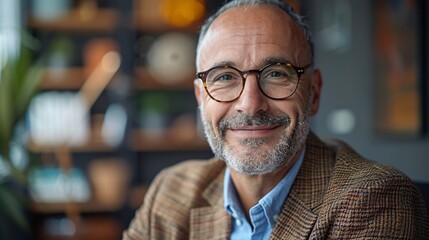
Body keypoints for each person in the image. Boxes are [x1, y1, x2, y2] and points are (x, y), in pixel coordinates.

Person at [123, 0, 429, 239]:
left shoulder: (375, 198)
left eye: (277, 74)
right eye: (225, 77)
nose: (250, 104)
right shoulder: (170, 190)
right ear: (201, 98)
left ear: (314, 93)